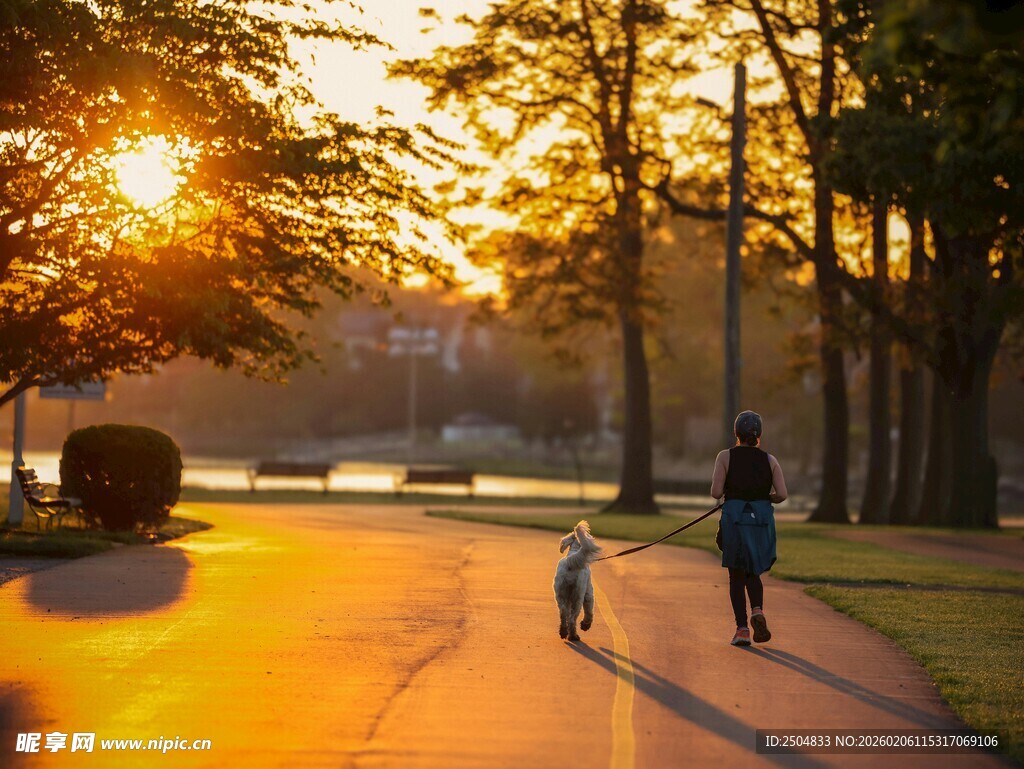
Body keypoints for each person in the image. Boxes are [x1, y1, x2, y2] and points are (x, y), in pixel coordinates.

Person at [710, 410, 788, 647]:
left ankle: (742, 629)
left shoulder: (725, 456)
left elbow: (715, 492)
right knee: (753, 570)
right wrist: (764, 498)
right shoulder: (770, 460)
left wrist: (732, 492)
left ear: (736, 433)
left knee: (736, 575)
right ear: (758, 434)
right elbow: (782, 494)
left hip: (735, 521)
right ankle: (757, 610)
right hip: (759, 523)